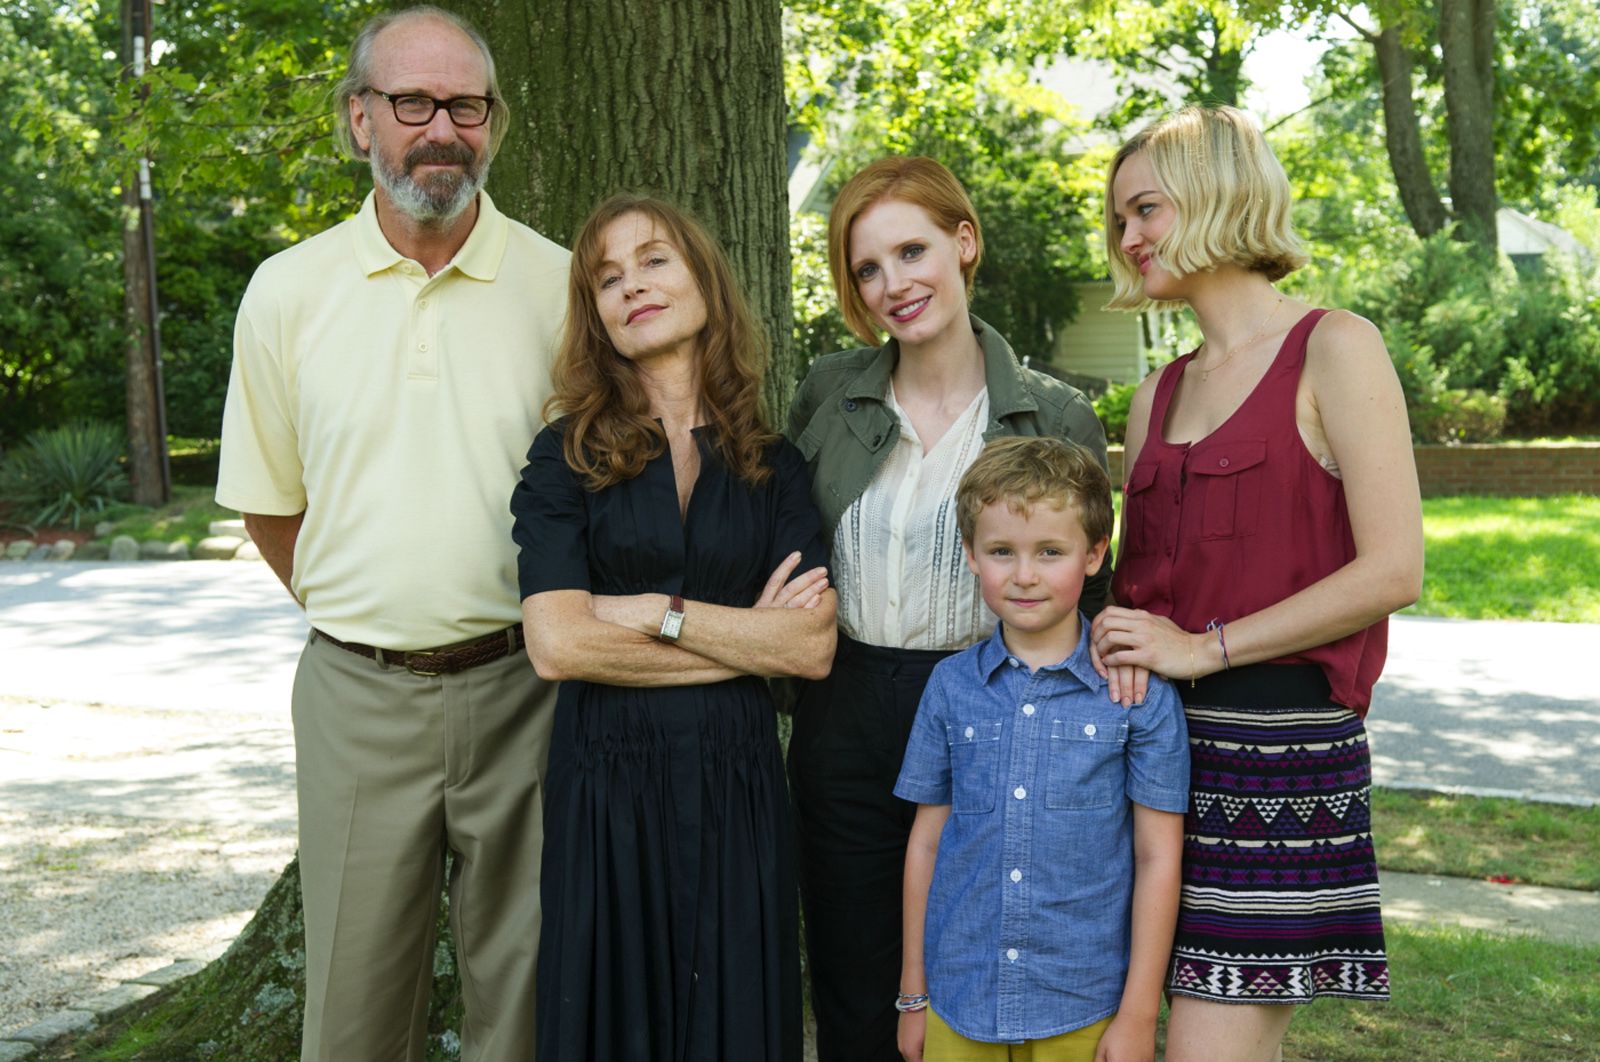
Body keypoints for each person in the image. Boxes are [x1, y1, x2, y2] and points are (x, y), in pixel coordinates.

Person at [215, 7, 569, 1059]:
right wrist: (375, 616)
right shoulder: (286, 293)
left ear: (494, 123)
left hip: (529, 695)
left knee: (527, 999)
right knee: (355, 1013)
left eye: (467, 105)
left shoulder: (561, 286)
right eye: (413, 102)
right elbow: (271, 505)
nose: (442, 129)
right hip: (355, 697)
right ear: (359, 117)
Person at [1092, 105, 1424, 1062]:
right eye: (1119, 221)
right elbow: (1139, 586)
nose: (1130, 239)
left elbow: (1394, 568)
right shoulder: (1158, 391)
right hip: (1149, 757)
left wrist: (1205, 647)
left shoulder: (1336, 346)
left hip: (1275, 762)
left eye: (1145, 209)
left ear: (1217, 193)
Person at [785, 155, 1113, 1061]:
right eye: (867, 268)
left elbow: (1095, 582)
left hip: (989, 707)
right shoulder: (829, 393)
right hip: (845, 709)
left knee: (972, 980)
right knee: (855, 983)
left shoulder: (1053, 415)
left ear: (963, 243)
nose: (893, 284)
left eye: (911, 250)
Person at [512, 193, 836, 1062]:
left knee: (738, 1019)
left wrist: (654, 612)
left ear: (703, 279)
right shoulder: (565, 457)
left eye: (654, 260)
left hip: (740, 785)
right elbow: (557, 643)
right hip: (604, 784)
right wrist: (742, 645)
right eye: (607, 278)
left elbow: (806, 646)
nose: (632, 286)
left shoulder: (775, 464)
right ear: (595, 316)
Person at [894, 436, 1189, 1062]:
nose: (1023, 575)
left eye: (1050, 551)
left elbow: (1157, 858)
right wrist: (913, 995)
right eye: (1002, 551)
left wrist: (1138, 1015)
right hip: (960, 996)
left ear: (1094, 554)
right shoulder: (949, 687)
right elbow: (926, 842)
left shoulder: (1139, 697)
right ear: (972, 555)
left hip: (1082, 1003)